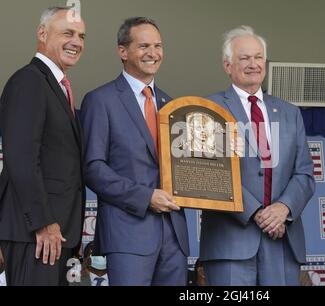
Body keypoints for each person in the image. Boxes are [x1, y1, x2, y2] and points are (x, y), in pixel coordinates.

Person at [199, 26, 315, 286]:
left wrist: (283, 209)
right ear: (227, 65)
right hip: (230, 243)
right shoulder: (209, 109)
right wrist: (257, 213)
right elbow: (211, 174)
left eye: (258, 57)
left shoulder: (289, 112)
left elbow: (304, 174)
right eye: (244, 58)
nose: (253, 64)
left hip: (282, 240)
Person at [80, 17, 189, 286]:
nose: (153, 53)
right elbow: (93, 168)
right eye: (143, 46)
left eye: (158, 45)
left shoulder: (174, 105)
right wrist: (145, 196)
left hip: (174, 235)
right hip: (128, 234)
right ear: (122, 51)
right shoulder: (100, 100)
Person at [0, 6, 86, 286]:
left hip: (57, 235)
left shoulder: (56, 86)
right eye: (68, 33)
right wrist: (42, 222)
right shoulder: (29, 81)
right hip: (36, 234)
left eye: (82, 36)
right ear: (42, 33)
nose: (77, 42)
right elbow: (21, 158)